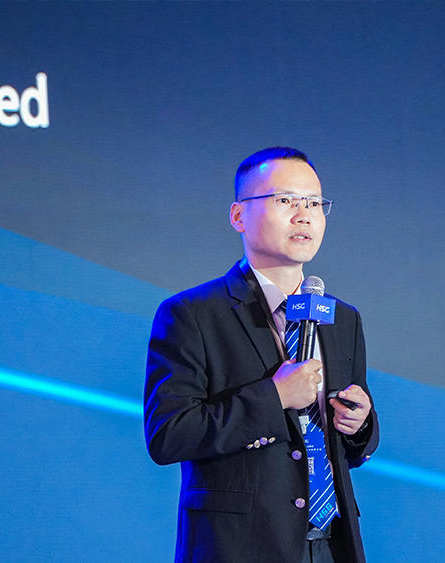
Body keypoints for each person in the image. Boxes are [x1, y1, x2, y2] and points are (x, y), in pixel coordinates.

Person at [144, 147, 379, 563]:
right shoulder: (193, 314)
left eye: (314, 203)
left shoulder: (343, 318)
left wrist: (358, 425)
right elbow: (169, 435)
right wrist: (275, 397)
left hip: (331, 545)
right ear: (239, 216)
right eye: (286, 200)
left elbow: (344, 447)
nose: (304, 216)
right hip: (240, 547)